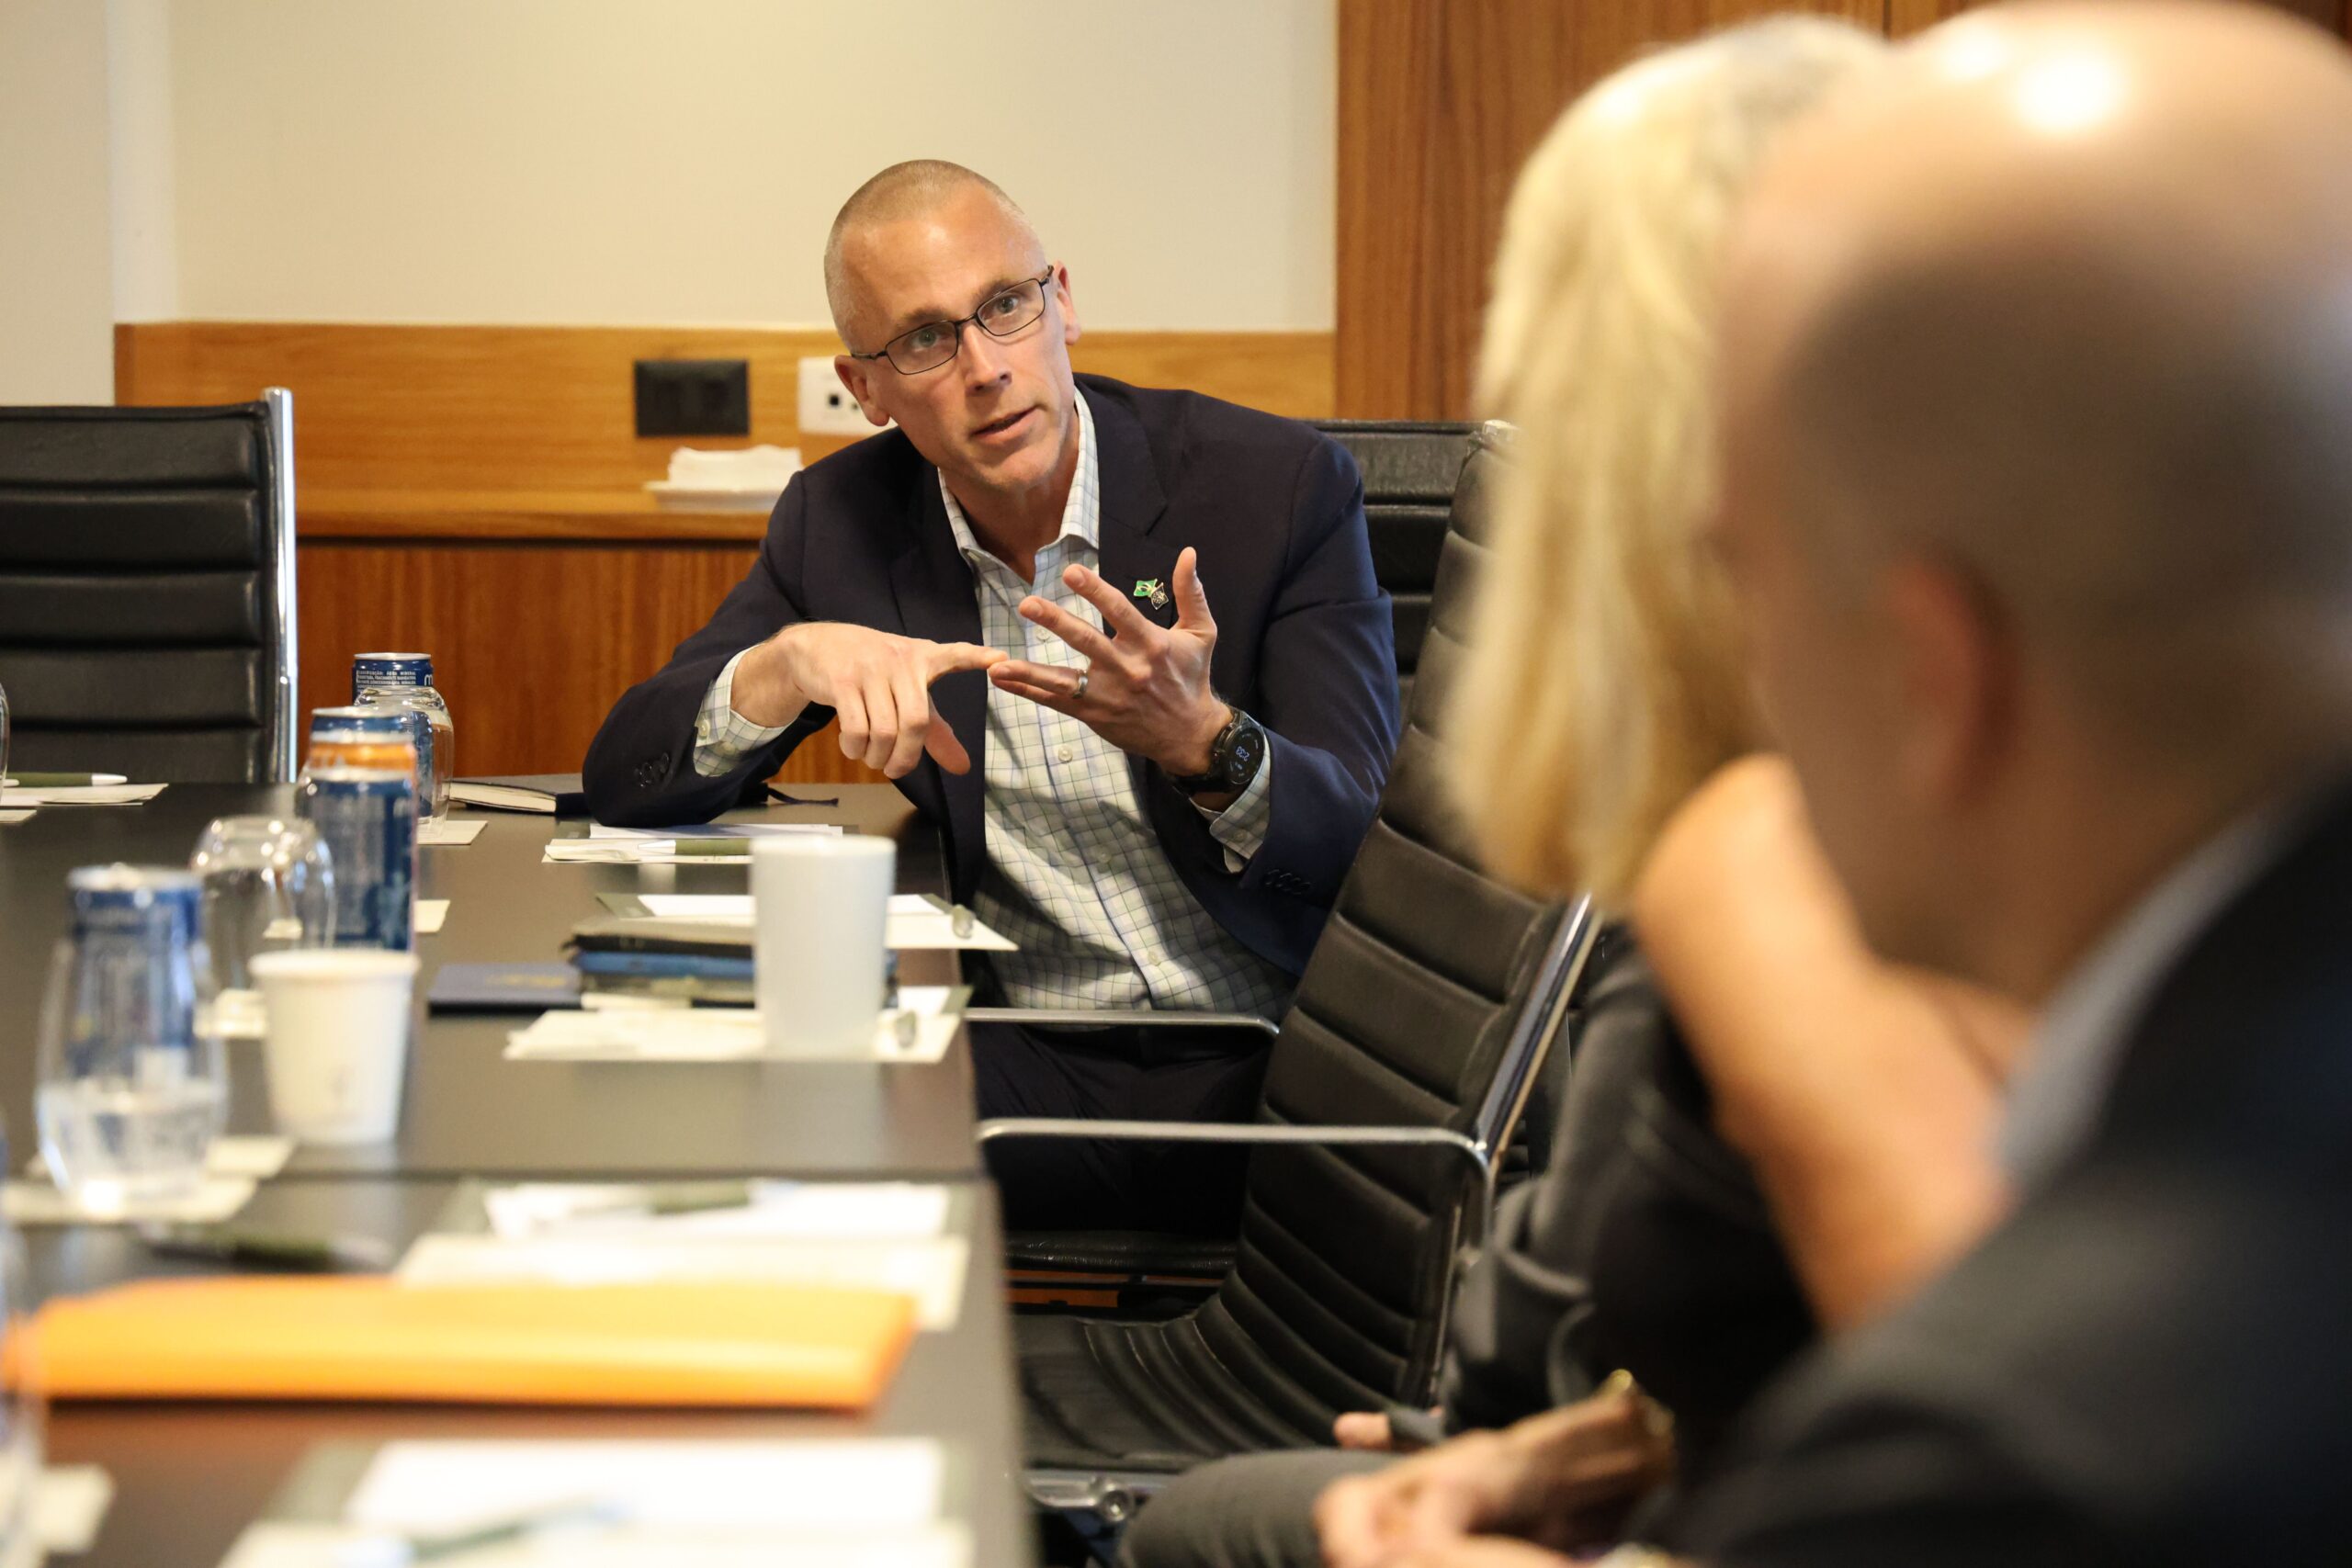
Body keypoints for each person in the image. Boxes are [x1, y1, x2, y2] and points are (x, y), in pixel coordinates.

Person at [1357, 2, 2352, 1564]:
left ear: (1929, 669)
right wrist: (1629, 1445)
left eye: (1752, 573)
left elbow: (1984, 1426)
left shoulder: (2026, 1433)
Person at [1119, 20, 2018, 1567]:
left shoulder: (1772, 867)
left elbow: (2007, 1463)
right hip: (1611, 1437)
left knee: (1190, 1536)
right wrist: (1628, 1438)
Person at [583, 162, 1400, 1229]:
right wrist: (784, 665)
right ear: (866, 387)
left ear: (1060, 301)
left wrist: (1206, 745)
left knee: (798, 1177)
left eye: (1004, 308)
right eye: (925, 339)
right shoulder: (841, 524)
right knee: (681, 1125)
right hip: (1028, 1056)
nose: (984, 368)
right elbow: (627, 778)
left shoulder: (1273, 488)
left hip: (1277, 1064)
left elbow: (1365, 854)